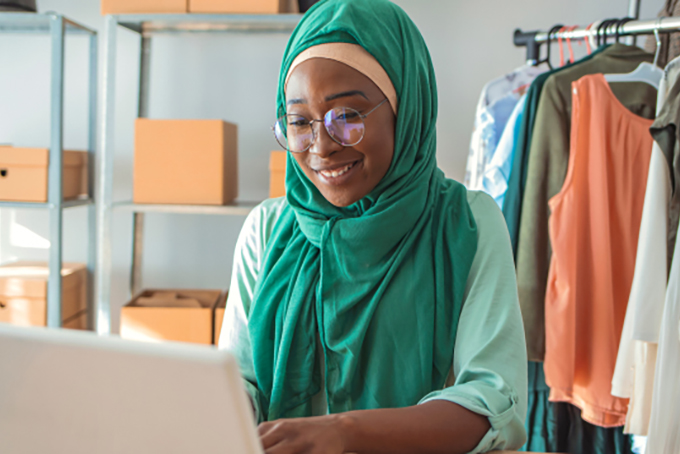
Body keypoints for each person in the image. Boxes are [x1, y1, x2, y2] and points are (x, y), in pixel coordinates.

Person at [219, 1, 527, 453]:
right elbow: (237, 379)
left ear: (406, 107)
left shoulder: (467, 225)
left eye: (347, 116)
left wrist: (346, 433)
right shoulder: (267, 230)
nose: (321, 147)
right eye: (300, 122)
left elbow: (494, 405)